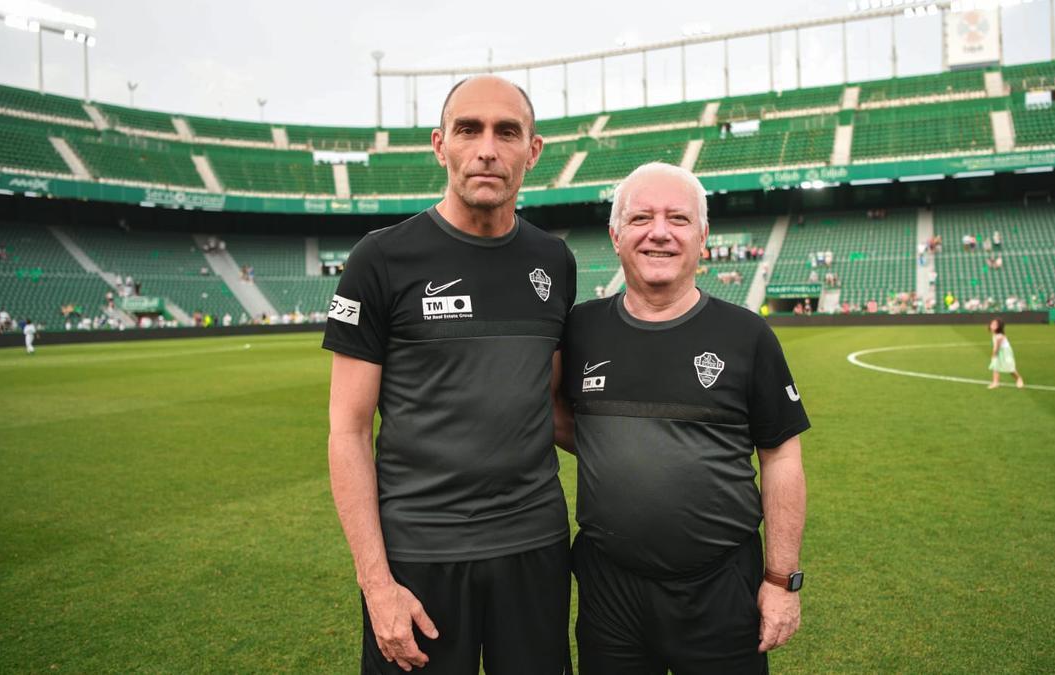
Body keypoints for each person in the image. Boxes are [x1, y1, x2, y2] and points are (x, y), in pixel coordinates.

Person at [323, 75, 574, 675]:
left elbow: (551, 402)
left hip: (534, 547)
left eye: (507, 132)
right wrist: (376, 585)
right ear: (441, 145)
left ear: (532, 151)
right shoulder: (379, 260)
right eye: (469, 129)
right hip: (419, 557)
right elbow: (348, 431)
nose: (487, 148)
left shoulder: (554, 261)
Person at [558, 163, 810, 675]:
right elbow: (550, 412)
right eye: (641, 218)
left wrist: (781, 581)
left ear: (703, 237)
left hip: (719, 586)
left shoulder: (747, 335)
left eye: (678, 218)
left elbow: (781, 455)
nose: (659, 232)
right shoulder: (579, 329)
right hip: (610, 592)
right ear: (615, 234)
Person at [988, 318, 1024, 390]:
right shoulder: (994, 334)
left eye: (995, 324)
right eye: (992, 324)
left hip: (1005, 353)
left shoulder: (999, 336)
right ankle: (995, 382)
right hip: (1000, 351)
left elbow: (996, 348)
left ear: (999, 327)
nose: (992, 325)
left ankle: (1019, 379)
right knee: (995, 366)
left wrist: (993, 355)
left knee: (1010, 368)